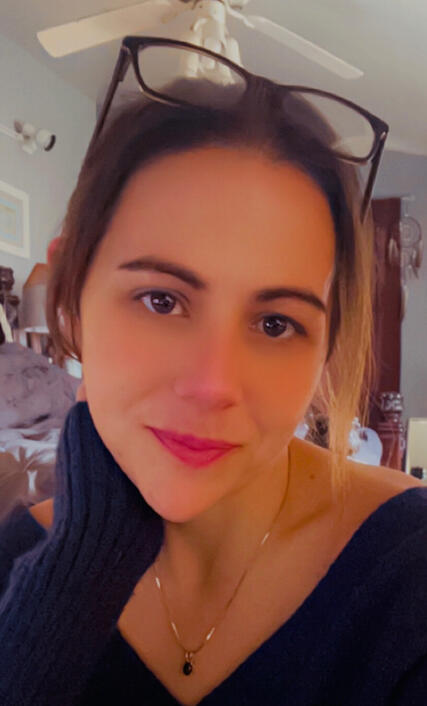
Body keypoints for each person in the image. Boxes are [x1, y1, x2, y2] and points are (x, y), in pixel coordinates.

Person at [0, 45, 426, 706]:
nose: (213, 384)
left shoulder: (408, 567)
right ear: (70, 299)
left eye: (275, 323)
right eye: (161, 300)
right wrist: (74, 580)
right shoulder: (18, 562)